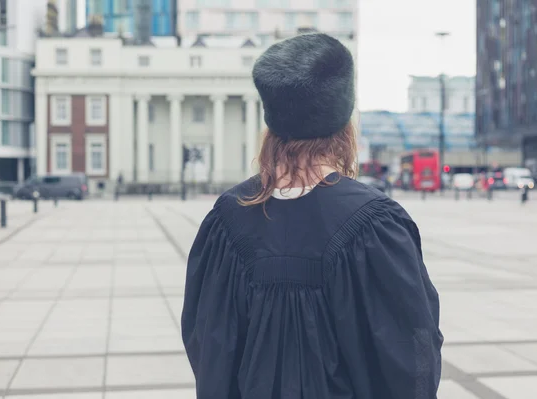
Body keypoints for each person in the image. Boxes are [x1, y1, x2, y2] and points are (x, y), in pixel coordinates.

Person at [181, 33, 443, 399]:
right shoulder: (376, 225)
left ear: (272, 126)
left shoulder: (226, 219)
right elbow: (412, 354)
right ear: (343, 124)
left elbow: (206, 344)